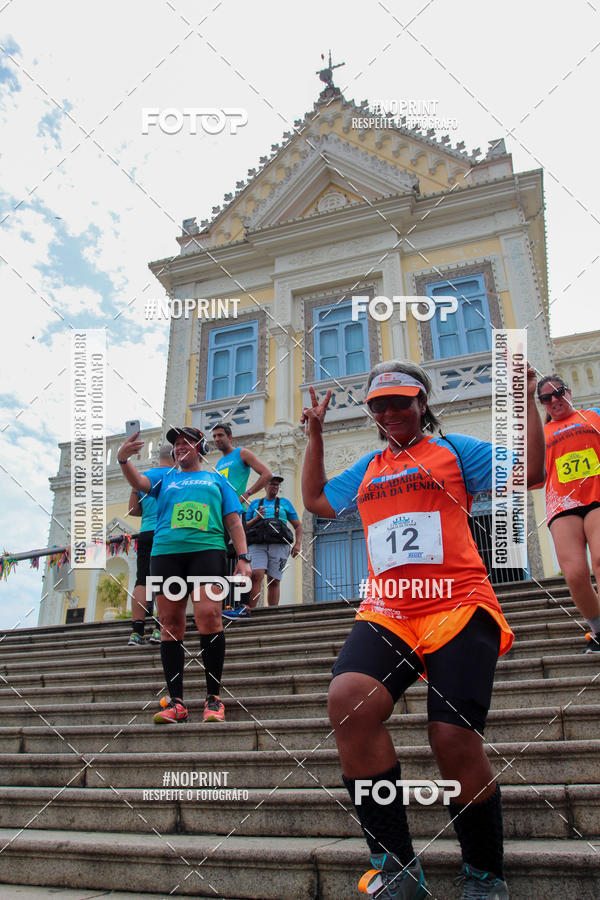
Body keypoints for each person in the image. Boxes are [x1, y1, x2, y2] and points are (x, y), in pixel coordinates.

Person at [301, 360, 545, 900]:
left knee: (451, 737)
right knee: (348, 700)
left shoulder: (456, 451)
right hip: (389, 609)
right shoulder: (366, 467)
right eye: (379, 405)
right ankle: (396, 867)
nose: (390, 412)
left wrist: (525, 396)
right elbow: (317, 502)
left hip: (458, 604)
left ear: (422, 403)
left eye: (401, 401)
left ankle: (483, 873)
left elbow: (530, 471)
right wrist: (314, 435)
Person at [117, 425, 252, 724]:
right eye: (176, 443)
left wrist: (243, 559)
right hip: (166, 555)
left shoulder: (217, 480)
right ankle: (176, 701)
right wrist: (124, 461)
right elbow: (138, 481)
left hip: (208, 552)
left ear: (200, 447)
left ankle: (213, 698)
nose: (179, 447)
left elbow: (233, 521)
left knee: (209, 616)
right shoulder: (163, 476)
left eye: (186, 442)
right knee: (170, 623)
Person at [533, 374, 600, 651]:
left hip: (597, 497)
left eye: (558, 392)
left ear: (568, 392)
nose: (554, 400)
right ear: (542, 404)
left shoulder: (593, 416)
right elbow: (535, 477)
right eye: (546, 398)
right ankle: (598, 630)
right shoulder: (541, 435)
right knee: (574, 573)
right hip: (563, 505)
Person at [222, 475, 302, 620]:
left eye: (277, 485)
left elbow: (298, 525)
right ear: (265, 486)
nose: (275, 487)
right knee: (256, 575)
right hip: (258, 543)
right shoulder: (255, 504)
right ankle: (250, 610)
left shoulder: (285, 503)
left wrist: (297, 544)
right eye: (272, 484)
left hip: (279, 543)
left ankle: (272, 612)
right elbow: (243, 527)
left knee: (274, 580)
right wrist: (256, 518)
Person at [126, 442, 173, 646]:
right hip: (167, 532)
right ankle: (158, 628)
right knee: (166, 580)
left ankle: (136, 632)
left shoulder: (144, 477)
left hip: (146, 532)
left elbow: (133, 511)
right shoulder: (176, 476)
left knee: (142, 580)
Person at [211, 422, 273, 507]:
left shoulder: (242, 453)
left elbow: (267, 474)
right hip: (222, 510)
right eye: (214, 436)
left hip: (238, 510)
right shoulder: (219, 463)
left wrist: (246, 495)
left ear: (230, 437)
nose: (216, 439)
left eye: (220, 435)